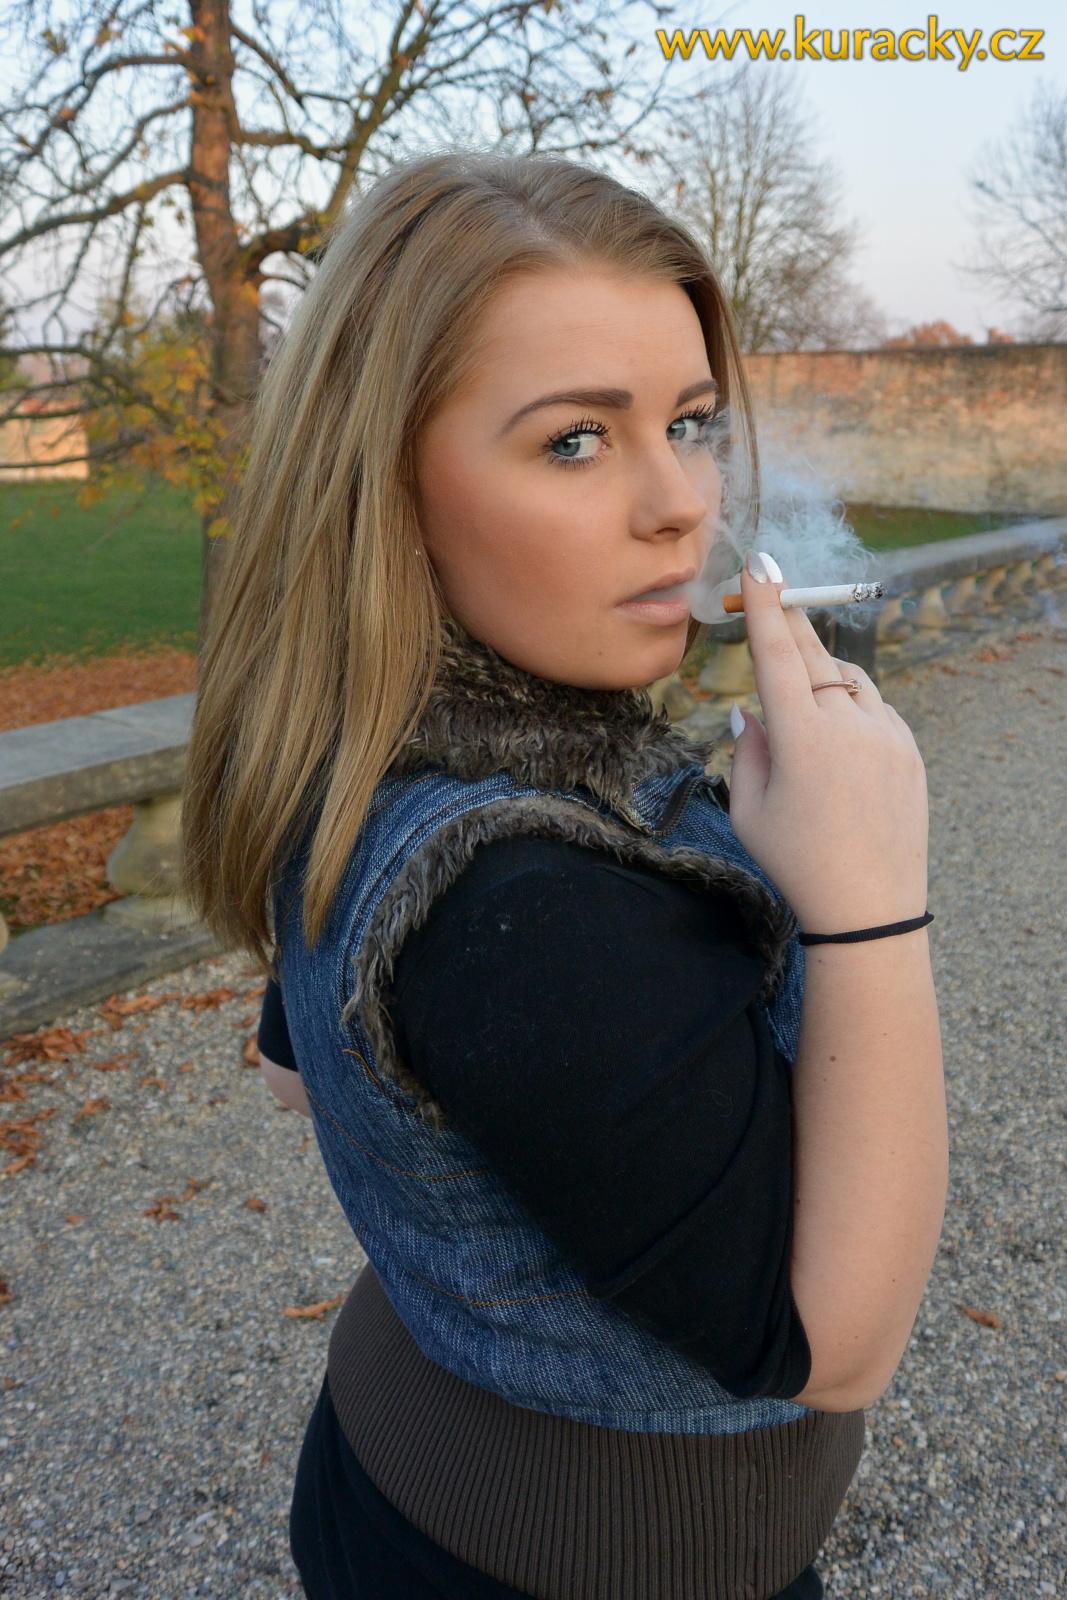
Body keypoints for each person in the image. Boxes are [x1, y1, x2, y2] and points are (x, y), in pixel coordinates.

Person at [181, 149, 948, 1600]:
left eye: (691, 422)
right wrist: (871, 903)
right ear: (388, 489)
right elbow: (841, 1345)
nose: (682, 504)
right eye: (576, 441)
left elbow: (295, 1071)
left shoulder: (354, 753)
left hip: (394, 1465)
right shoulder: (527, 903)